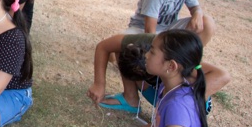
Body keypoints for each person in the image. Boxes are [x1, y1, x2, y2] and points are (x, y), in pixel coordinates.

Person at [87, 32, 230, 113]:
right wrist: (99, 84)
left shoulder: (175, 58)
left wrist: (183, 102)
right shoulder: (146, 43)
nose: (148, 55)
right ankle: (130, 99)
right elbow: (103, 46)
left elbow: (222, 75)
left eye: (151, 52)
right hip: (162, 93)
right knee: (123, 51)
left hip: (186, 103)